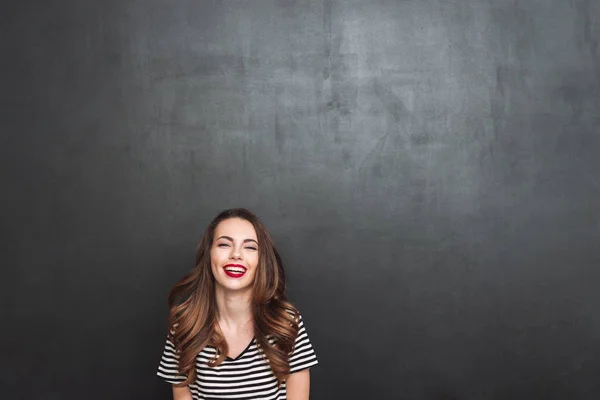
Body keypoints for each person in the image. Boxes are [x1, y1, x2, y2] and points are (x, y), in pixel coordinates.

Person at [157, 208, 318, 400]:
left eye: (249, 247)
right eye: (224, 244)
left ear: (261, 261)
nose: (236, 254)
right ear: (209, 256)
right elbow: (182, 393)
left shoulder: (286, 324)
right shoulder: (184, 327)